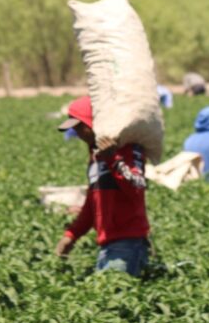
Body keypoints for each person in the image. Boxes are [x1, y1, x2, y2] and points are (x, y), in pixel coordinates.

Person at [53, 96, 151, 277]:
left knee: (111, 300)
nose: (77, 133)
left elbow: (136, 188)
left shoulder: (128, 149)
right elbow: (93, 203)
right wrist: (71, 235)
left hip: (127, 243)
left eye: (79, 127)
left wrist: (113, 158)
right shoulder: (95, 155)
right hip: (108, 243)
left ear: (93, 123)